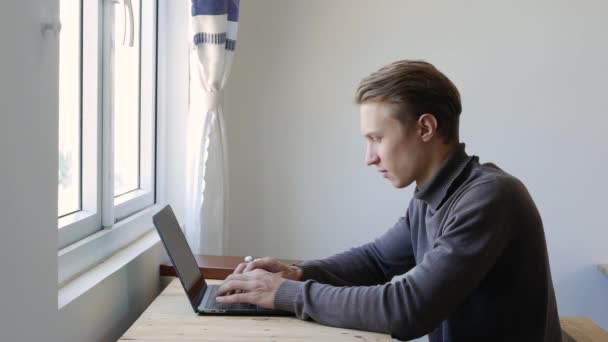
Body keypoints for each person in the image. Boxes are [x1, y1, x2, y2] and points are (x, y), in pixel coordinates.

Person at [216, 60, 562, 341]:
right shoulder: (432, 197)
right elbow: (378, 261)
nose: (369, 157)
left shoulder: (489, 197)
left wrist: (285, 294)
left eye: (377, 139)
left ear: (425, 128)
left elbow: (408, 310)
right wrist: (300, 272)